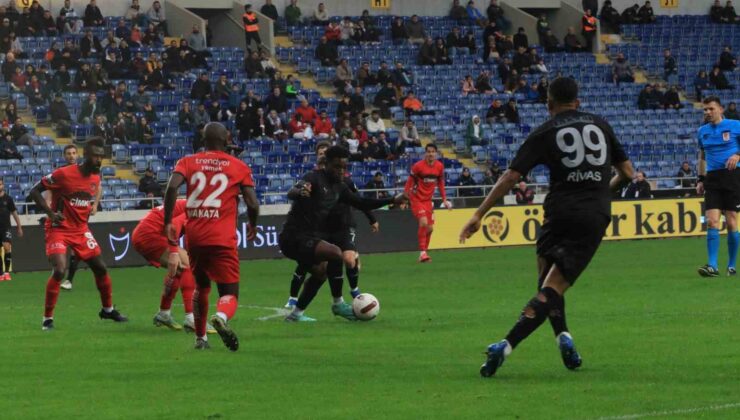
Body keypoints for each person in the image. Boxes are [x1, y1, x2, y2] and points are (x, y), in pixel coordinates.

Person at [459, 77, 634, 377]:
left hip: (557, 212)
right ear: (578, 102)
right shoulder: (601, 125)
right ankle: (508, 344)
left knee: (545, 283)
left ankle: (558, 336)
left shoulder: (544, 131)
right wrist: (604, 192)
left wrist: (478, 214)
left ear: (548, 104)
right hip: (592, 214)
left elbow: (510, 177)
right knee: (552, 288)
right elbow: (628, 173)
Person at [163, 122, 260, 350]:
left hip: (195, 237)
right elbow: (253, 203)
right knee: (229, 292)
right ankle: (221, 317)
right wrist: (253, 224)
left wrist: (168, 220)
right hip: (222, 238)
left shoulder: (187, 161)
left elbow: (171, 187)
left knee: (202, 286)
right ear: (227, 139)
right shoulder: (238, 166)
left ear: (203, 139)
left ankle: (200, 339)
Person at [279, 146, 404, 321]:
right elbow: (292, 192)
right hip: (293, 237)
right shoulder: (313, 178)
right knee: (336, 254)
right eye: (337, 166)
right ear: (326, 164)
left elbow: (361, 202)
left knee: (321, 272)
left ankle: (295, 315)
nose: (341, 171)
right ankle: (338, 303)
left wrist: (392, 199)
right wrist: (300, 191)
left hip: (310, 238)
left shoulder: (340, 187)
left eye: (344, 167)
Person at [29, 138, 128, 330]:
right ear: (85, 156)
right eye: (95, 156)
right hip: (58, 227)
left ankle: (107, 310)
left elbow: (84, 203)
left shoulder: (95, 178)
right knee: (59, 270)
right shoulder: (63, 174)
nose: (99, 160)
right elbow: (34, 191)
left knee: (100, 267)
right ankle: (47, 319)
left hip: (80, 230)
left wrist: (87, 221)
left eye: (101, 156)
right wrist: (50, 213)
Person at [133, 198, 214, 333]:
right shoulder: (198, 207)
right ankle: (192, 318)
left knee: (179, 269)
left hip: (145, 234)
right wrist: (175, 253)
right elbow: (174, 226)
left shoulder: (196, 204)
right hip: (151, 235)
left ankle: (164, 313)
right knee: (186, 265)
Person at [695, 97, 740, 277]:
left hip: (732, 177)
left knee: (731, 222)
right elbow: (702, 157)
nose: (707, 112)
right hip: (712, 179)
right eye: (705, 110)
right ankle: (712, 265)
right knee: (712, 221)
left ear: (720, 109)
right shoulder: (702, 131)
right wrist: (700, 179)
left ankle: (731, 265)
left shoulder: (735, 125)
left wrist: (738, 155)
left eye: (710, 109)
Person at [405, 144, 452, 263]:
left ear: (436, 153)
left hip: (428, 201)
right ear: (425, 153)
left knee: (430, 229)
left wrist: (444, 199)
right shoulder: (418, 166)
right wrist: (406, 195)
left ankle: (424, 253)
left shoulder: (439, 167)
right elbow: (410, 180)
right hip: (416, 199)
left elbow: (440, 183)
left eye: (433, 152)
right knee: (424, 222)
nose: (431, 154)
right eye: (428, 152)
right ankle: (423, 253)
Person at [0, 179, 21, 281]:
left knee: (7, 247)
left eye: (0, 184)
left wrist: (19, 227)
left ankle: (7, 272)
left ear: (3, 185)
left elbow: (14, 213)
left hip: (5, 227)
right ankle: (1, 273)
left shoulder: (8, 199)